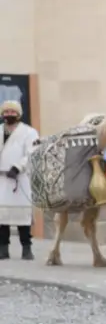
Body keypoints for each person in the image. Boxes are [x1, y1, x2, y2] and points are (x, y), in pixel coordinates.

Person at [0, 100, 39, 261]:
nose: (9, 114)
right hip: (2, 180)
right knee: (2, 217)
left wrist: (18, 167)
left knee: (23, 217)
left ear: (19, 114)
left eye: (12, 112)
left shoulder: (29, 132)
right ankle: (3, 249)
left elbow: (33, 152)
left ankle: (26, 248)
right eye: (6, 112)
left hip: (19, 179)